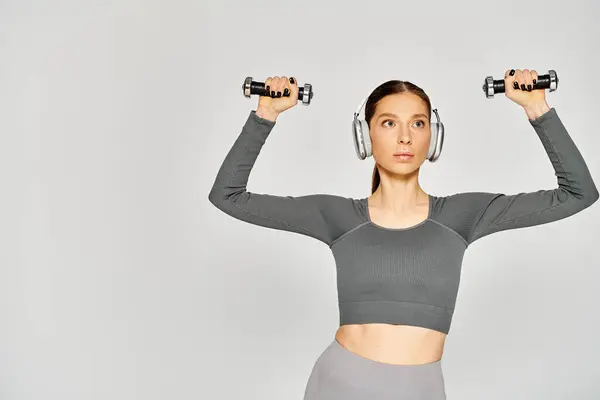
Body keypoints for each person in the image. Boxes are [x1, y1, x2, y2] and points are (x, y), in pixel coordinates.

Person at [208, 70, 598, 399]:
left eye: (418, 123)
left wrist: (537, 108)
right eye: (389, 123)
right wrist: (265, 113)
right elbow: (228, 196)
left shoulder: (463, 215)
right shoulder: (337, 216)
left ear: (433, 136)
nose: (405, 138)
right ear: (366, 135)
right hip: (341, 385)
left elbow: (578, 193)